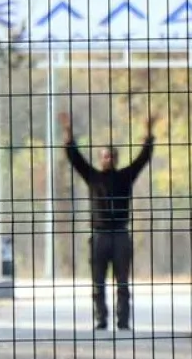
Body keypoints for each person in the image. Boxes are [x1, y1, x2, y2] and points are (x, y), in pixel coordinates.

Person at [60, 112, 158, 332]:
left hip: (121, 235)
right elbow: (75, 158)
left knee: (122, 283)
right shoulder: (92, 177)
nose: (108, 160)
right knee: (98, 284)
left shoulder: (125, 177)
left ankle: (123, 321)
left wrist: (148, 133)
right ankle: (101, 319)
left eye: (111, 157)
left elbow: (143, 158)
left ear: (116, 159)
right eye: (105, 157)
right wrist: (68, 132)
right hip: (100, 236)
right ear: (100, 159)